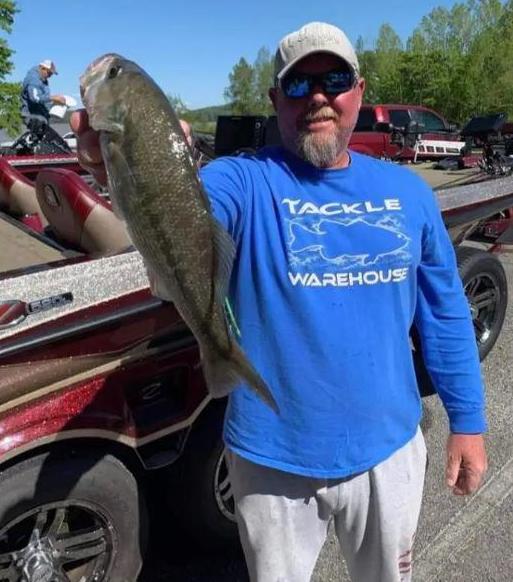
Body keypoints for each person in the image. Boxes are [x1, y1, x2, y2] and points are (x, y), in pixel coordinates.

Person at [71, 21, 488, 582]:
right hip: (270, 462)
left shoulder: (410, 192)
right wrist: (133, 164)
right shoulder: (242, 180)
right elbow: (184, 208)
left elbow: (446, 314)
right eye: (298, 84)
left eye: (333, 80)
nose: (317, 96)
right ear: (275, 99)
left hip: (390, 452)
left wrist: (468, 422)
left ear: (359, 92)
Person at [21, 60, 68, 149]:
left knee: (47, 142)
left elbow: (44, 100)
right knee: (56, 142)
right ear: (43, 68)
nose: (50, 76)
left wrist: (54, 104)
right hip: (33, 117)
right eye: (49, 73)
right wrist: (53, 98)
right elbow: (35, 98)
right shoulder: (34, 80)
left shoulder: (43, 80)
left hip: (41, 117)